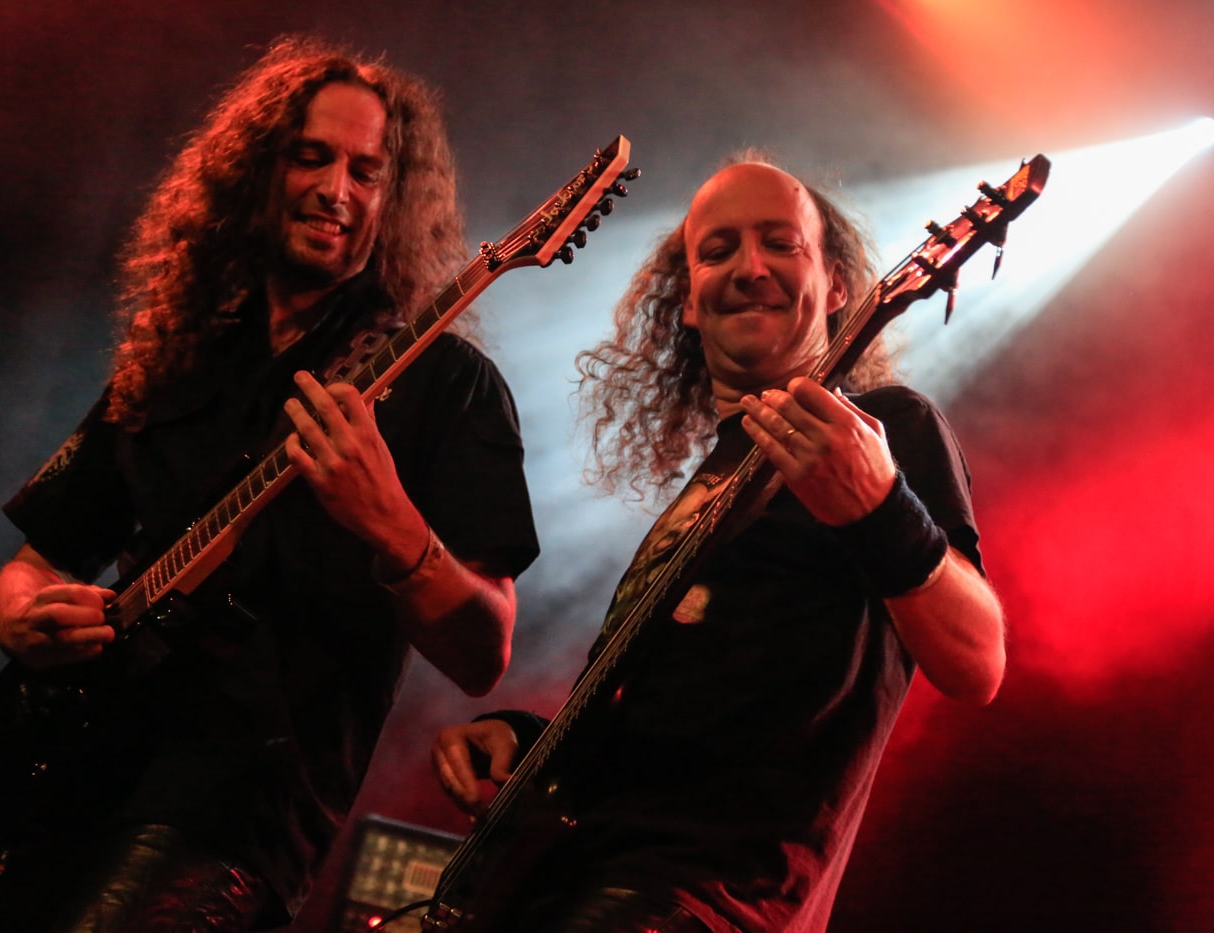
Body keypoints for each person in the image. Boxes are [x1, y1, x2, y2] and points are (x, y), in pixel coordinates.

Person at [0, 35, 539, 933]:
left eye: (367, 171)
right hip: (70, 773)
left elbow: (483, 650)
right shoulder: (178, 361)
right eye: (311, 156)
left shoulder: (444, 384)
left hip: (231, 812)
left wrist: (392, 525)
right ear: (257, 171)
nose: (336, 189)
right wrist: (22, 616)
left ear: (396, 200)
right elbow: (36, 561)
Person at [429, 155, 1006, 932]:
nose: (750, 267)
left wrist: (880, 505)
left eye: (780, 243)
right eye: (718, 250)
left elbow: (978, 661)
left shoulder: (885, 426)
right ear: (688, 304)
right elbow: (661, 721)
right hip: (580, 879)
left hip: (705, 900)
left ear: (837, 285)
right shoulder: (709, 482)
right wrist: (526, 740)